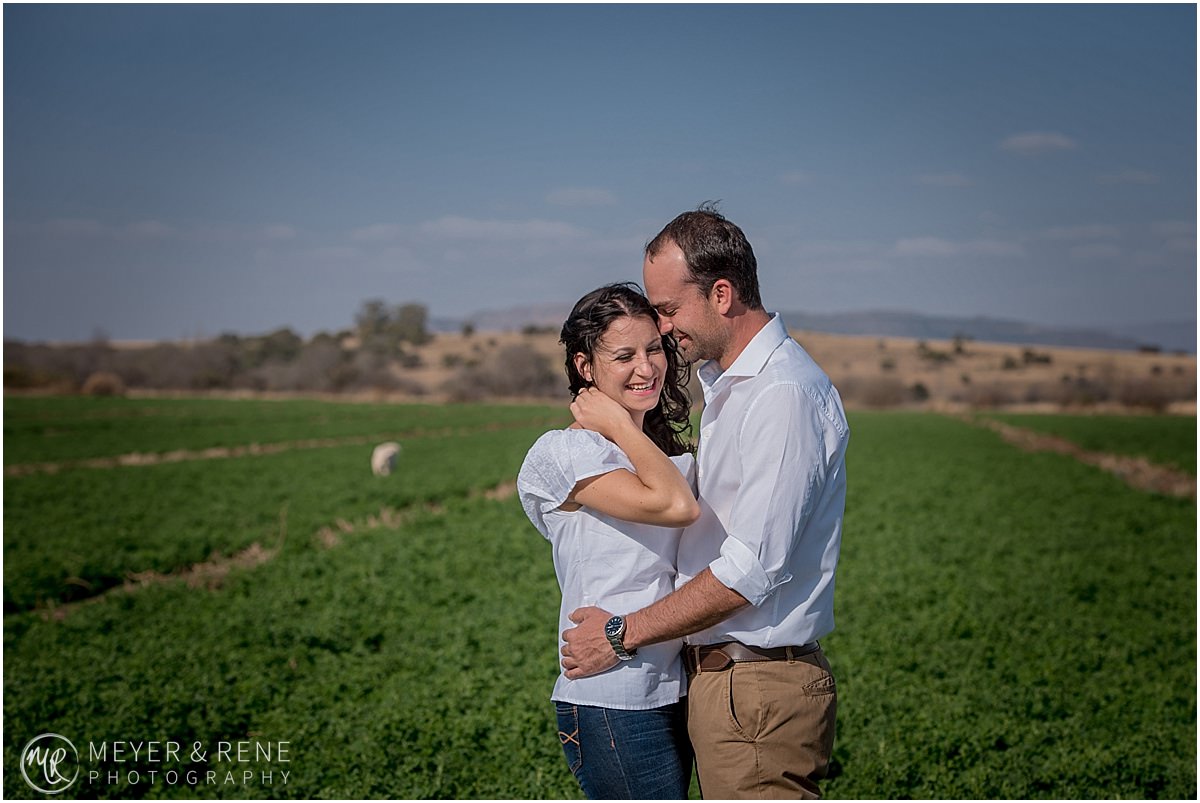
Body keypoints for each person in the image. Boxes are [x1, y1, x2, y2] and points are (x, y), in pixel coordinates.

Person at [561, 207, 850, 799]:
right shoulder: (731, 390)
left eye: (667, 310)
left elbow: (752, 570)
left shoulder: (781, 394)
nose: (661, 330)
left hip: (758, 686)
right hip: (722, 684)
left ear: (722, 294)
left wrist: (621, 633)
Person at [517, 282, 701, 799]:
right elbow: (676, 507)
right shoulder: (564, 456)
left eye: (653, 349)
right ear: (584, 366)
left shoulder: (660, 457)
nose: (646, 368)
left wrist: (628, 432)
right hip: (613, 697)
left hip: (677, 684)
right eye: (623, 356)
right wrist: (620, 426)